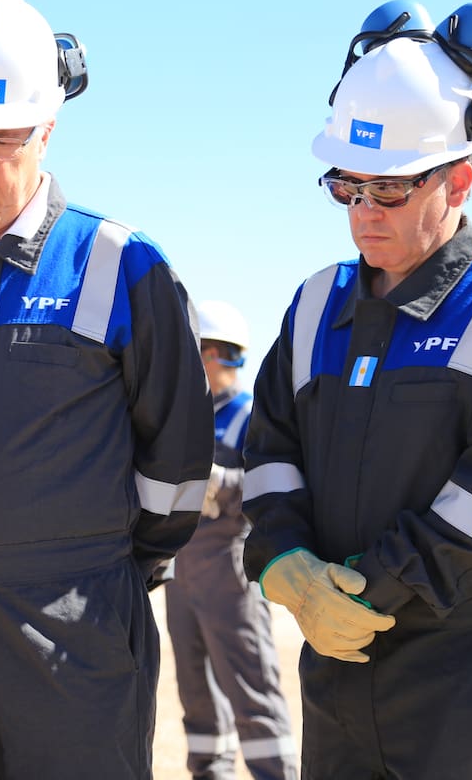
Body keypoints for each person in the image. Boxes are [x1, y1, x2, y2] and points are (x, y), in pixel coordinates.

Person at [242, 0, 472, 779]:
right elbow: (268, 455)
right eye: (347, 187)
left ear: (458, 180)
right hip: (341, 687)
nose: (364, 215)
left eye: (390, 190)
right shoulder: (315, 307)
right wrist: (285, 561)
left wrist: (358, 591)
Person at [0, 0, 215, 778]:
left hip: (73, 638)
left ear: (47, 130)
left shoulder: (121, 266)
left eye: (1, 140)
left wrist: (94, 572)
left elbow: (177, 461)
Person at [164, 301, 297, 780]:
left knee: (250, 686)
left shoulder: (248, 416)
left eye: (198, 352)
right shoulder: (185, 417)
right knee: (195, 689)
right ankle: (211, 772)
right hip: (182, 570)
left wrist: (221, 484)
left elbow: (274, 485)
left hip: (229, 570)